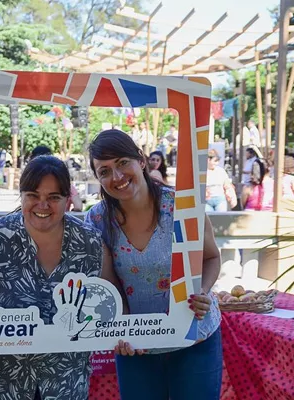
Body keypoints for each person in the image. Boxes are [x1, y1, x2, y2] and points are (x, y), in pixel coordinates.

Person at [85, 129, 223, 400]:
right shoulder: (98, 220)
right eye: (104, 171)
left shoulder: (183, 207)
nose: (117, 177)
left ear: (141, 160)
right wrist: (122, 325)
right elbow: (108, 282)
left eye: (123, 162)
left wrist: (203, 292)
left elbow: (211, 257)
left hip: (194, 334)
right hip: (137, 344)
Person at [0, 155, 124, 400]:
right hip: (2, 386)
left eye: (53, 197)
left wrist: (124, 336)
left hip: (66, 386)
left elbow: (113, 308)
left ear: (68, 201)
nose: (42, 205)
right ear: (21, 196)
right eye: (33, 195)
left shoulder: (91, 244)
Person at [29, 145, 83, 211]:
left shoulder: (28, 185)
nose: (43, 206)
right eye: (34, 196)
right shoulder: (66, 186)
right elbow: (78, 207)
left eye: (54, 197)